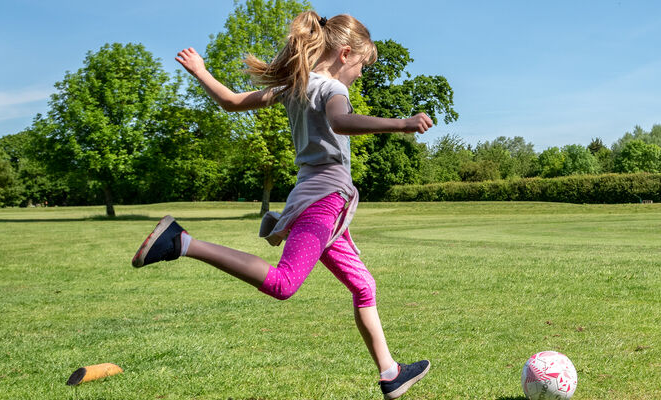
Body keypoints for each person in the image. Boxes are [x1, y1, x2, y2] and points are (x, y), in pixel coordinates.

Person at [131, 10, 434, 400]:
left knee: (363, 284)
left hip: (321, 203)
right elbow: (341, 123)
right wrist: (401, 124)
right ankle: (182, 243)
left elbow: (232, 101)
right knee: (283, 283)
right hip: (323, 202)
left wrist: (200, 71)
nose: (360, 74)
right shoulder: (331, 90)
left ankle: (390, 372)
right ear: (345, 54)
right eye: (361, 65)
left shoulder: (296, 86)